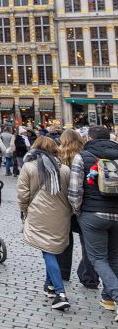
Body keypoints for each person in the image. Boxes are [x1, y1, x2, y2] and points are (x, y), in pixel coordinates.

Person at [18, 135, 72, 311]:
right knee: (52, 248)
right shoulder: (64, 169)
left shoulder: (28, 167)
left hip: (39, 213)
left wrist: (24, 211)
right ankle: (49, 286)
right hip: (62, 214)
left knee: (48, 251)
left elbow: (23, 195)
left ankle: (60, 292)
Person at [69, 124, 118, 319]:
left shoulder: (82, 156)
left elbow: (74, 191)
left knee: (98, 258)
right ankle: (107, 298)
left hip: (92, 214)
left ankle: (115, 294)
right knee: (114, 258)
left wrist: (78, 211)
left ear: (89, 138)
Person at [58, 127, 100, 292]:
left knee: (64, 240)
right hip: (83, 203)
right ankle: (88, 276)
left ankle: (63, 272)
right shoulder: (86, 155)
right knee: (87, 243)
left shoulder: (58, 155)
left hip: (63, 204)